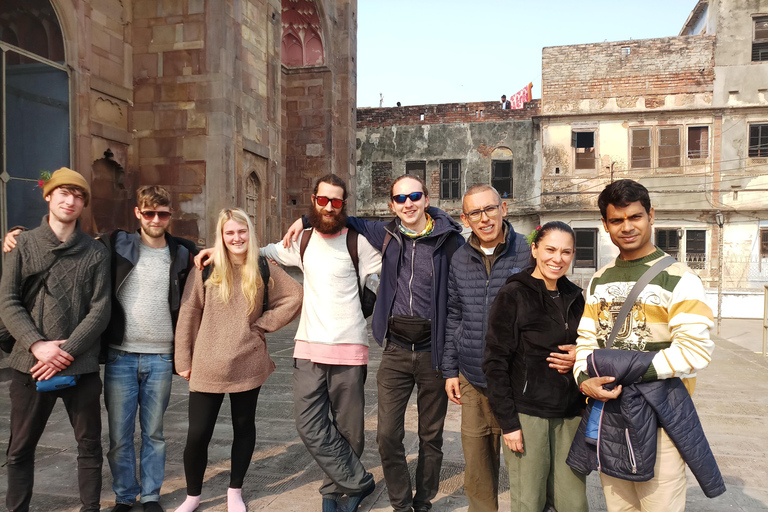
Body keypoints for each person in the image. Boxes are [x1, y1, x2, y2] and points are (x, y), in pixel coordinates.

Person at [3, 185, 199, 512]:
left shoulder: (182, 252)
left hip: (162, 357)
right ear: (138, 213)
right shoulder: (115, 244)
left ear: (170, 216)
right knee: (120, 435)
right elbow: (67, 239)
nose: (155, 219)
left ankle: (150, 497)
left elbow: (222, 256)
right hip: (121, 356)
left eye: (162, 214)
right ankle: (124, 496)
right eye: (148, 213)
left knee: (154, 434)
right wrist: (19, 234)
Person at [284, 174, 464, 512]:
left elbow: (457, 302)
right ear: (391, 206)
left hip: (433, 353)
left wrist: (454, 360)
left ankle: (422, 501)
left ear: (426, 199)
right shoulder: (386, 233)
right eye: (400, 198)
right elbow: (338, 215)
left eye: (414, 196)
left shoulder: (449, 241)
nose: (407, 203)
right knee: (387, 436)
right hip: (396, 350)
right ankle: (400, 502)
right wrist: (304, 217)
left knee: (431, 437)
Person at [572, 179, 717, 512]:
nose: (627, 227)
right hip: (612, 418)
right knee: (618, 507)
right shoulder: (600, 278)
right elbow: (586, 342)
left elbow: (694, 353)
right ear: (605, 225)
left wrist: (628, 371)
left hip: (661, 420)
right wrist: (584, 380)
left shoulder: (681, 279)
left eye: (635, 217)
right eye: (617, 220)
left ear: (651, 215)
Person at [260, 174, 380, 512]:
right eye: (323, 200)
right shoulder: (302, 241)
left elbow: (398, 248)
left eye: (337, 202)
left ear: (344, 205)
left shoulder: (359, 242)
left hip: (350, 349)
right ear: (313, 199)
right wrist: (219, 249)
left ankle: (334, 490)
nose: (329, 207)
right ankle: (358, 482)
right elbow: (260, 252)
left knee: (349, 427)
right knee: (308, 423)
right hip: (308, 347)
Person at [173, 208, 302, 512]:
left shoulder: (260, 265)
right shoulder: (206, 267)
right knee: (198, 434)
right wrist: (183, 358)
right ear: (221, 235)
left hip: (247, 360)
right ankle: (192, 496)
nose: (236, 238)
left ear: (249, 232)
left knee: (243, 427)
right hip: (208, 363)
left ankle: (235, 491)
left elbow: (294, 295)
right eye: (229, 232)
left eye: (241, 231)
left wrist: (262, 325)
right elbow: (189, 312)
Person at [0, 168, 111, 512]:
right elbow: (8, 300)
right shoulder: (23, 244)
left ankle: (89, 507)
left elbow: (100, 309)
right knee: (20, 448)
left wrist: (66, 351)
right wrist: (38, 346)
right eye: (63, 193)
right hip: (30, 365)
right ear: (48, 196)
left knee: (89, 445)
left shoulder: (95, 252)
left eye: (78, 196)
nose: (70, 201)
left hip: (81, 365)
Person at [483, 221, 588, 512]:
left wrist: (581, 354)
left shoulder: (576, 297)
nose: (558, 258)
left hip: (570, 414)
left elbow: (594, 344)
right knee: (529, 502)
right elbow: (495, 361)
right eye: (550, 249)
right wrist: (509, 423)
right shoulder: (514, 294)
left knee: (573, 503)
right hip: (528, 416)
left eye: (566, 252)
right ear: (534, 249)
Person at [440, 185, 532, 512]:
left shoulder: (528, 251)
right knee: (477, 470)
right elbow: (454, 314)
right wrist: (450, 370)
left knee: (526, 470)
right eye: (475, 213)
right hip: (474, 378)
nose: (484, 218)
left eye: (489, 209)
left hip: (518, 381)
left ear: (503, 208)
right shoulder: (459, 258)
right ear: (465, 219)